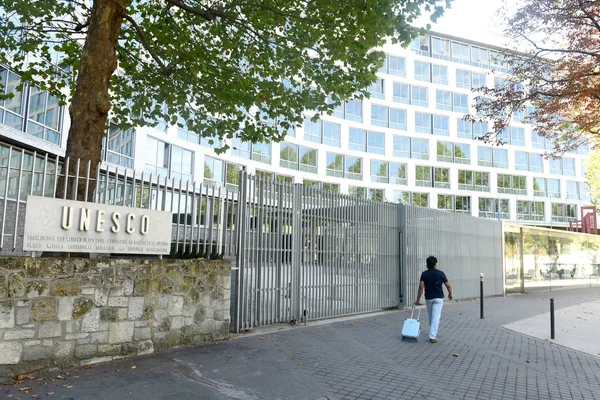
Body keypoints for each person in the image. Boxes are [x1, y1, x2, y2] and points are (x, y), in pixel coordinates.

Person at [415, 255, 453, 343]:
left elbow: (421, 287)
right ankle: (432, 336)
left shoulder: (424, 274)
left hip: (429, 298)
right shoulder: (441, 273)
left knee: (431, 316)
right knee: (436, 317)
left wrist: (418, 299)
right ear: (435, 264)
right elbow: (448, 285)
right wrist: (450, 294)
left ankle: (433, 332)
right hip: (439, 298)